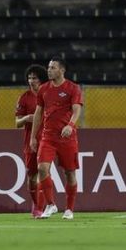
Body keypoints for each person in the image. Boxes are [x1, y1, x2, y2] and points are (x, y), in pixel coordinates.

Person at [30, 57, 83, 220]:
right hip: (48, 137)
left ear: (62, 70)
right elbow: (38, 114)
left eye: (53, 67)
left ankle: (69, 209)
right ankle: (51, 204)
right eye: (49, 67)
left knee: (69, 173)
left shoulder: (73, 88)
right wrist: (33, 137)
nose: (49, 70)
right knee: (42, 169)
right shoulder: (44, 89)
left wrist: (70, 125)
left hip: (67, 138)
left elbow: (76, 110)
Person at [15, 64, 50, 218]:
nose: (31, 81)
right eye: (29, 78)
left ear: (41, 79)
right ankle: (36, 203)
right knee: (31, 175)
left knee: (44, 170)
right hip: (31, 140)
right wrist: (28, 118)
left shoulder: (49, 95)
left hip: (48, 139)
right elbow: (17, 123)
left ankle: (42, 207)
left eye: (34, 78)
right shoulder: (24, 97)